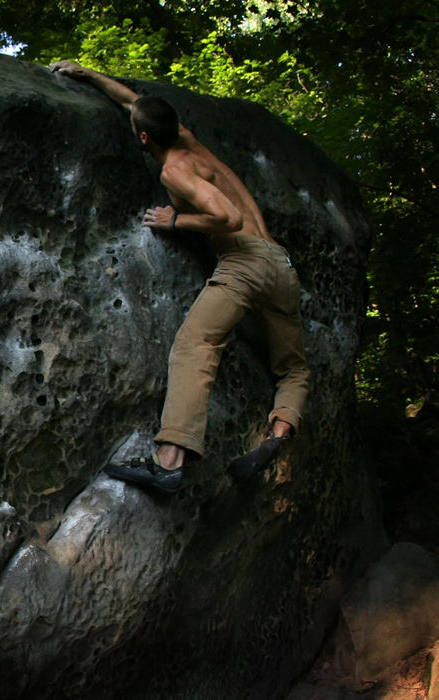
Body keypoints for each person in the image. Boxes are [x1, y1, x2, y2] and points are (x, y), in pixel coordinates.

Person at [49, 60, 310, 494]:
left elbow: (225, 216)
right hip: (280, 265)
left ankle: (169, 459)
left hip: (243, 262)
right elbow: (134, 102)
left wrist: (174, 221)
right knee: (294, 368)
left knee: (196, 345)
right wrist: (89, 75)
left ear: (143, 137)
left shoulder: (174, 170)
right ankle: (280, 433)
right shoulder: (188, 138)